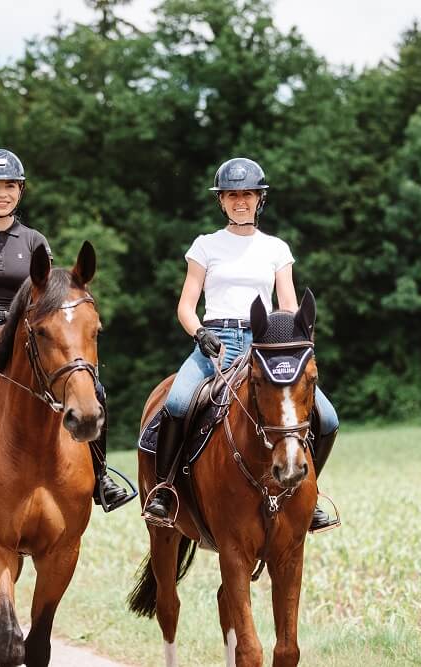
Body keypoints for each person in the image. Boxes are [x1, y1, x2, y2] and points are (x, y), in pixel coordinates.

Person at [0, 148, 131, 538]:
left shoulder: (34, 240)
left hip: (24, 338)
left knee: (95, 392)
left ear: (21, 191)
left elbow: (49, 295)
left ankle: (100, 478)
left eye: (10, 186)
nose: (3, 193)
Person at [142, 157, 340, 533]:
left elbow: (288, 306)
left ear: (259, 199)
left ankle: (308, 494)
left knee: (327, 417)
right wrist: (199, 332)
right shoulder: (205, 246)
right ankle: (166, 491)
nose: (239, 202)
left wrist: (293, 341)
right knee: (178, 402)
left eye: (247, 195)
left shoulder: (276, 249)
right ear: (221, 201)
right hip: (215, 343)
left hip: (267, 347)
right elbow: (186, 306)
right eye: (232, 195)